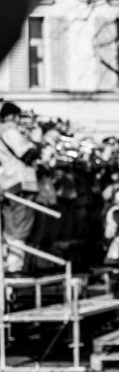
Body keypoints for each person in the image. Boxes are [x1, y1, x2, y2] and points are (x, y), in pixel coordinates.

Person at [0, 102, 40, 276]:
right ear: (12, 116)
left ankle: (7, 266)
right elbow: (26, 153)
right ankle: (14, 267)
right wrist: (37, 141)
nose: (20, 121)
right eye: (19, 117)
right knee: (20, 230)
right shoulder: (10, 131)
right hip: (20, 182)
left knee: (10, 229)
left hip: (7, 183)